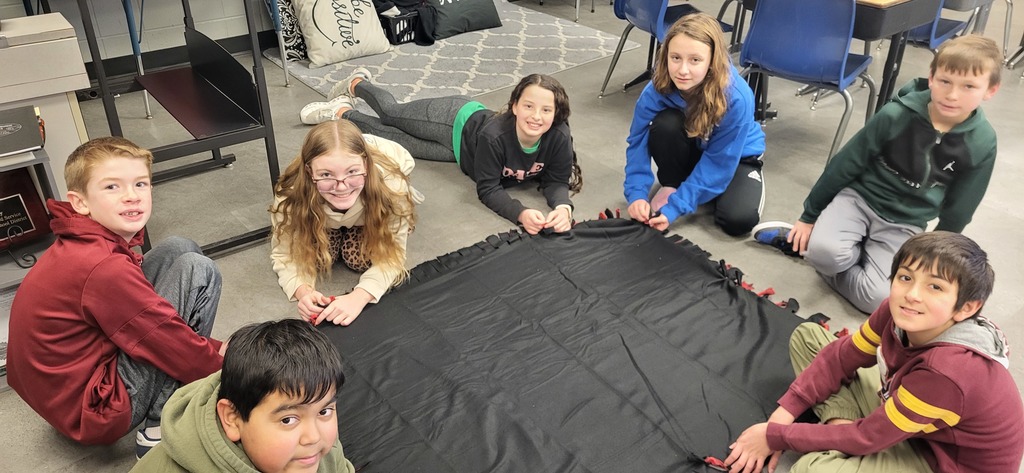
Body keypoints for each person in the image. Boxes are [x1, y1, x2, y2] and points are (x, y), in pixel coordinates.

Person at [725, 232, 1024, 473]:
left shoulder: (946, 372)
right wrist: (780, 419)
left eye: (935, 287)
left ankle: (849, 439)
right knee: (809, 337)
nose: (912, 295)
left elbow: (867, 437)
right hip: (913, 421)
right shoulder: (896, 313)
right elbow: (843, 356)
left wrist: (774, 436)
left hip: (940, 460)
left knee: (812, 468)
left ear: (967, 308)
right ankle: (847, 432)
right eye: (906, 278)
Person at [6, 137, 226, 458]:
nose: (131, 196)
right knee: (198, 270)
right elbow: (168, 340)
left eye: (140, 184)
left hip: (59, 394)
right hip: (96, 409)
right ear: (80, 202)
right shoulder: (103, 266)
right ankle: (160, 425)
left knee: (180, 246)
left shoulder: (83, 242)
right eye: (112, 187)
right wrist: (230, 360)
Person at [752, 34, 1003, 313]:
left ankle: (821, 248)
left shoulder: (982, 142)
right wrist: (809, 216)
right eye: (945, 81)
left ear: (990, 90)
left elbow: (962, 206)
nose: (953, 94)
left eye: (969, 86)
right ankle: (810, 242)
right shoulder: (895, 115)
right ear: (931, 77)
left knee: (879, 301)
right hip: (859, 200)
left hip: (907, 222)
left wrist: (936, 254)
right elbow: (846, 163)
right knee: (827, 256)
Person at [300, 72, 582, 235]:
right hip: (452, 120)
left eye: (546, 110)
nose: (536, 116)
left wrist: (562, 207)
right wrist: (519, 213)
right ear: (514, 106)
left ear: (557, 113)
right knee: (392, 114)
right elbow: (488, 188)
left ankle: (340, 112)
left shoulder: (558, 136)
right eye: (529, 106)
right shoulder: (495, 135)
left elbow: (556, 181)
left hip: (461, 154)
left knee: (387, 137)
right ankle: (357, 83)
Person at [132, 319, 356, 472]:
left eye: (325, 411)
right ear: (232, 418)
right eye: (288, 420)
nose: (314, 437)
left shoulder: (315, 449)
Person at [624, 13, 766, 236]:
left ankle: (699, 189)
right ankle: (674, 183)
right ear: (666, 55)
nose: (682, 70)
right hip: (696, 148)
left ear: (712, 61)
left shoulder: (737, 97)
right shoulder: (657, 87)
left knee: (738, 221)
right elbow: (637, 142)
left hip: (736, 157)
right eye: (675, 58)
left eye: (695, 60)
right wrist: (636, 194)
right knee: (665, 124)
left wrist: (675, 207)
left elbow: (719, 161)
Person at [270, 119, 421, 327]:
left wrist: (359, 297)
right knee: (318, 257)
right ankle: (337, 224)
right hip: (322, 208)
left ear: (366, 166)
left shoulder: (392, 186)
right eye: (326, 175)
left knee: (358, 259)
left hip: (379, 187)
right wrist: (302, 290)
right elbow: (283, 254)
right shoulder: (290, 195)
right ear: (308, 172)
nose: (341, 187)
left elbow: (394, 255)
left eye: (352, 172)